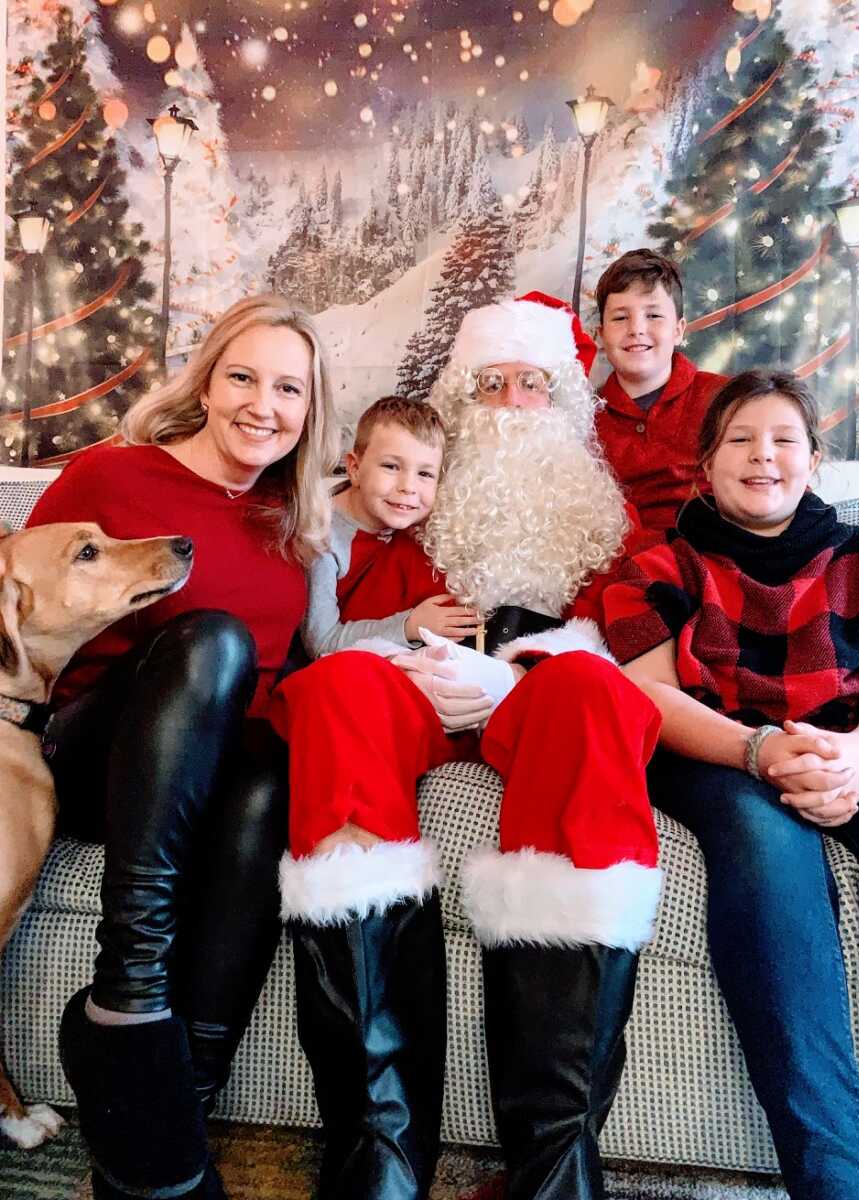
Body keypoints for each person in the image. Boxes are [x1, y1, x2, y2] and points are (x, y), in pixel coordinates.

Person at [270, 296, 664, 1200]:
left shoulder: (607, 524)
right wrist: (412, 656)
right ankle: (381, 1145)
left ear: (564, 401)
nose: (514, 403)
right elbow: (339, 616)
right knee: (334, 689)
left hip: (543, 699)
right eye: (491, 385)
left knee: (593, 694)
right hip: (420, 691)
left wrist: (522, 673)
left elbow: (630, 639)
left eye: (533, 384)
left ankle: (555, 1163)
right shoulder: (415, 511)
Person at [26, 294, 339, 1200]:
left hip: (212, 778)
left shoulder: (296, 516)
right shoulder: (113, 477)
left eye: (290, 388)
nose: (263, 404)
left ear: (311, 411)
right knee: (215, 638)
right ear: (207, 383)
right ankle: (126, 980)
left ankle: (176, 1105)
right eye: (243, 376)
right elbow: (20, 603)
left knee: (270, 768)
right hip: (93, 758)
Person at [604, 369, 859, 1200]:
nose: (762, 455)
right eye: (739, 439)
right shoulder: (658, 564)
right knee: (768, 844)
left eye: (783, 439)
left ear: (813, 460)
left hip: (851, 747)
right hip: (718, 757)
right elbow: (647, 693)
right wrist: (761, 751)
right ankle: (836, 1181)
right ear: (705, 466)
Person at [301, 394, 478, 659]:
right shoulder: (322, 539)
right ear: (355, 468)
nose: (408, 487)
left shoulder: (412, 519)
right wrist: (410, 626)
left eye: (425, 474)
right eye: (391, 466)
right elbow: (322, 642)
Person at [593, 248, 727, 546]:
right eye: (620, 318)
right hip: (624, 568)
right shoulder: (584, 419)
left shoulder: (726, 400)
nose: (636, 329)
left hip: (716, 558)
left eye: (653, 315)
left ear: (679, 329)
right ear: (600, 334)